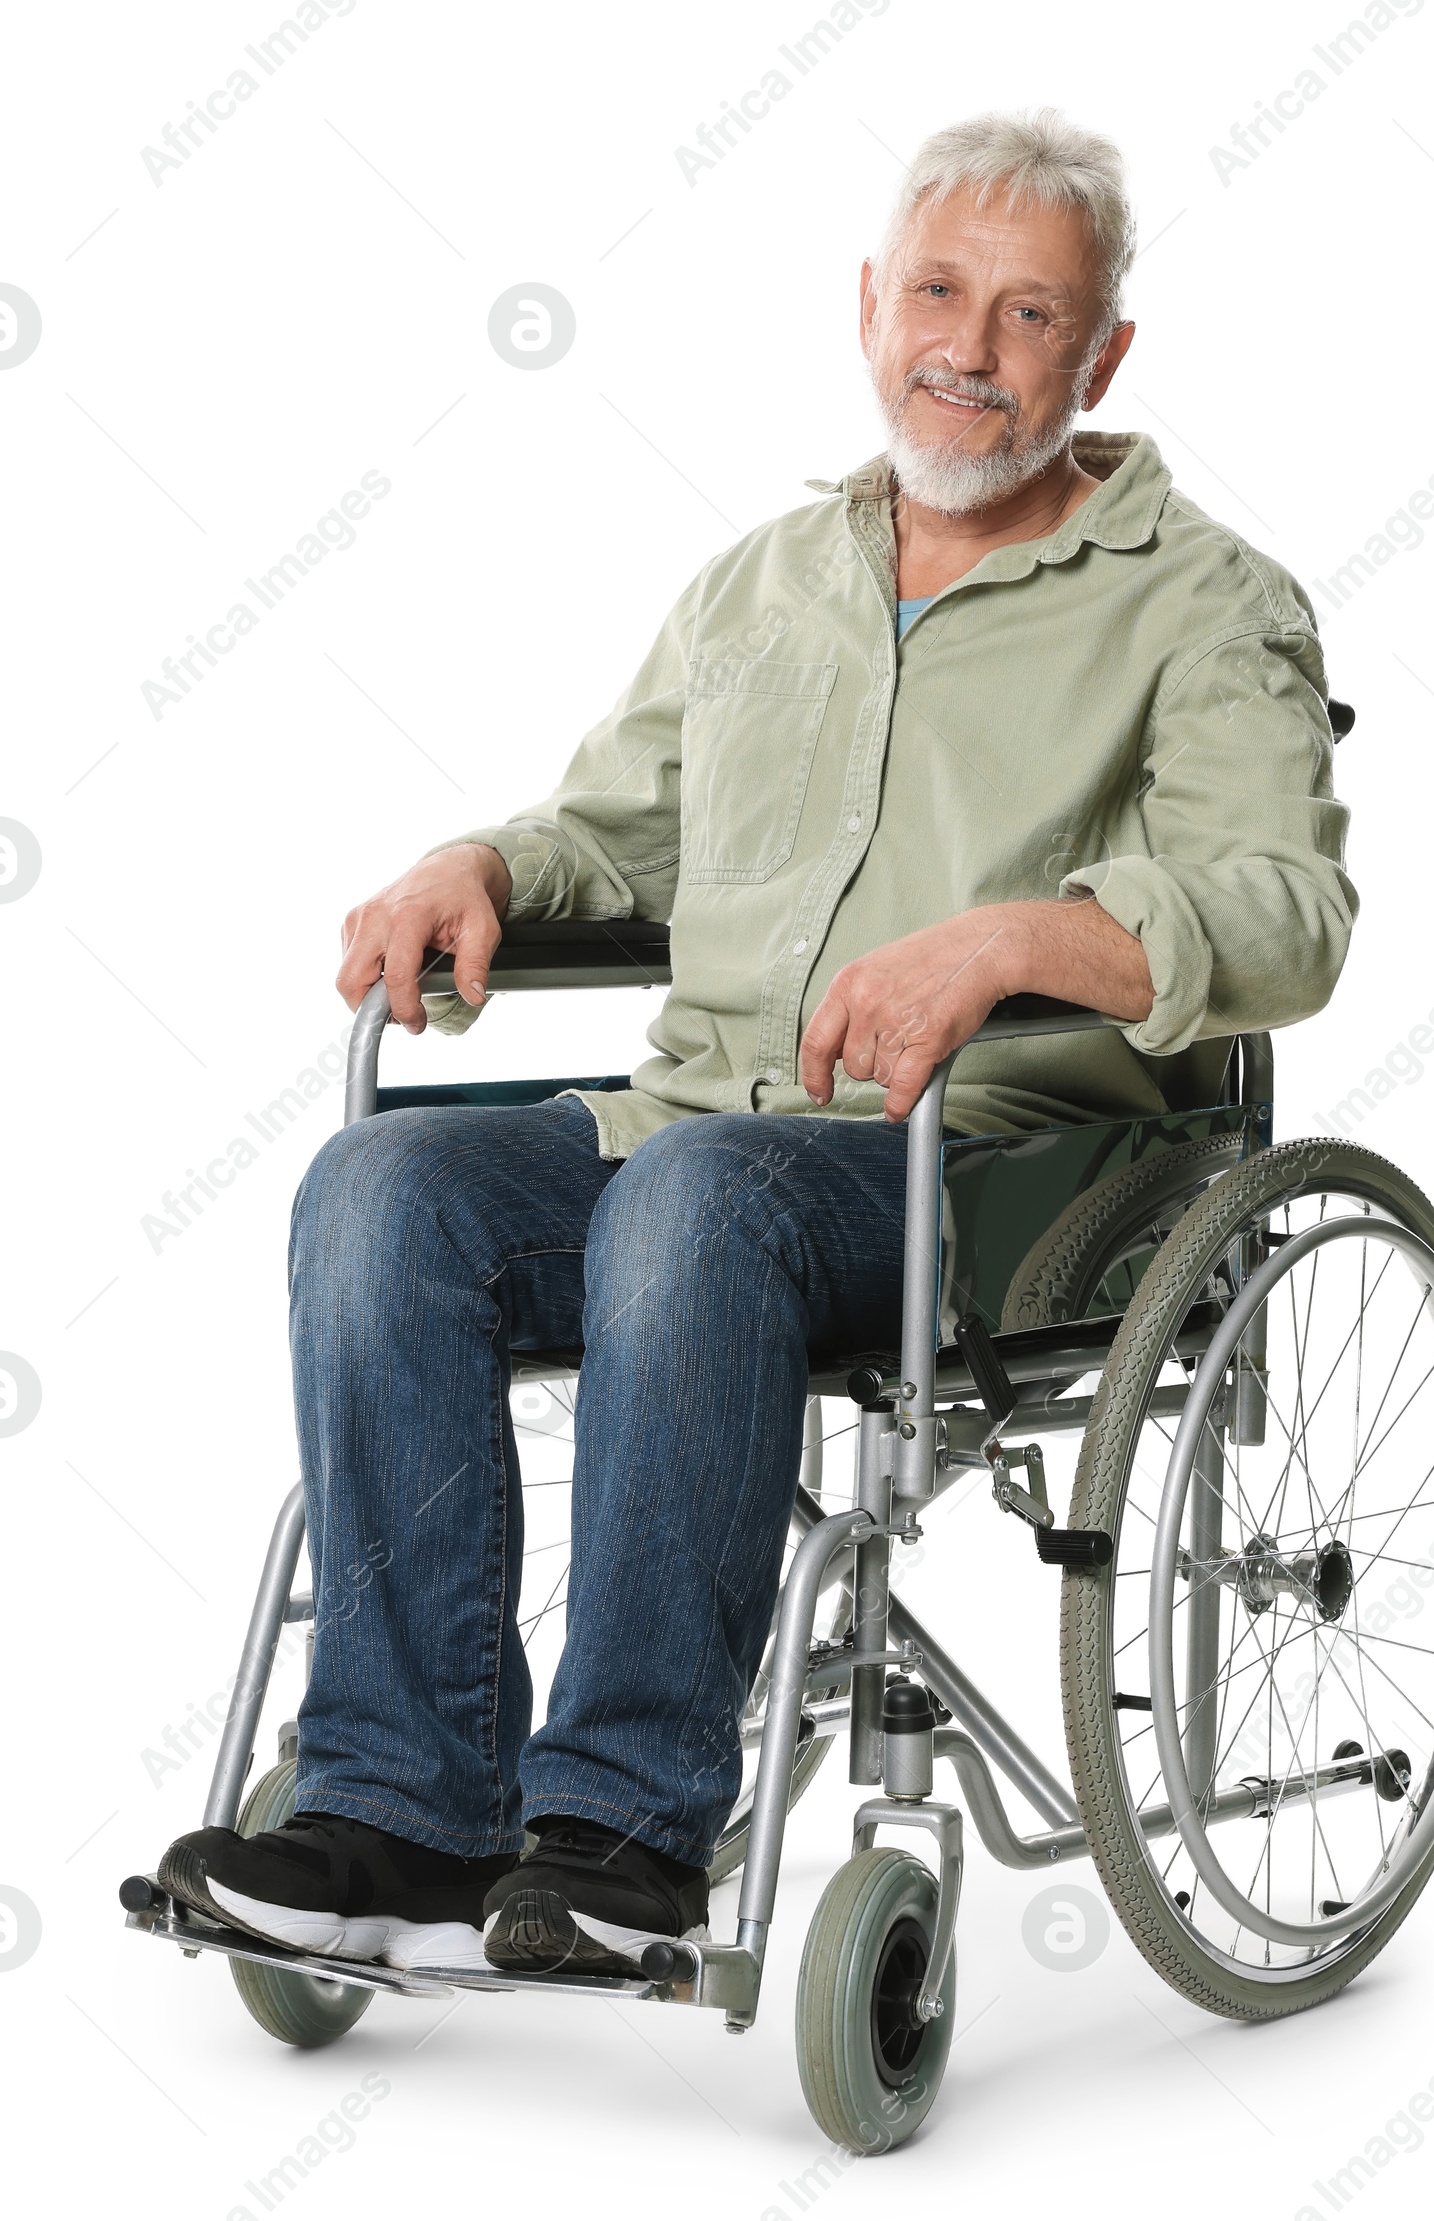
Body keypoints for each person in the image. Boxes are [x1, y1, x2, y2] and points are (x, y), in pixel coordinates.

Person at [160, 108, 1355, 1977]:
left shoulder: (1206, 605)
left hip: (1012, 1167)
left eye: (1030, 313)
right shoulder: (763, 586)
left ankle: (630, 1822)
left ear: (1102, 354)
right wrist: (472, 861)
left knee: (699, 1205)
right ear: (871, 306)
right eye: (939, 292)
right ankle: (399, 1805)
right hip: (702, 1119)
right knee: (383, 1186)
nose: (968, 346)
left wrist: (1027, 933)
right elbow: (621, 844)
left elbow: (1289, 912)